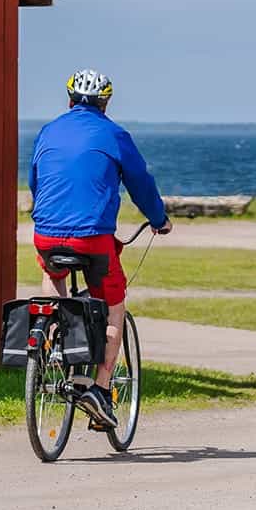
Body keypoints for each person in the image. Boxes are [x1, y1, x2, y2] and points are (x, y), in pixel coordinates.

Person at [29, 69, 171, 430]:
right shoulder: (114, 134)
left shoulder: (48, 131)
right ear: (105, 103)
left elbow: (35, 179)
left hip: (46, 233)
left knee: (51, 272)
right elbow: (140, 182)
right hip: (92, 239)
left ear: (69, 100)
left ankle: (55, 338)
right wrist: (158, 218)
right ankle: (101, 390)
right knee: (114, 305)